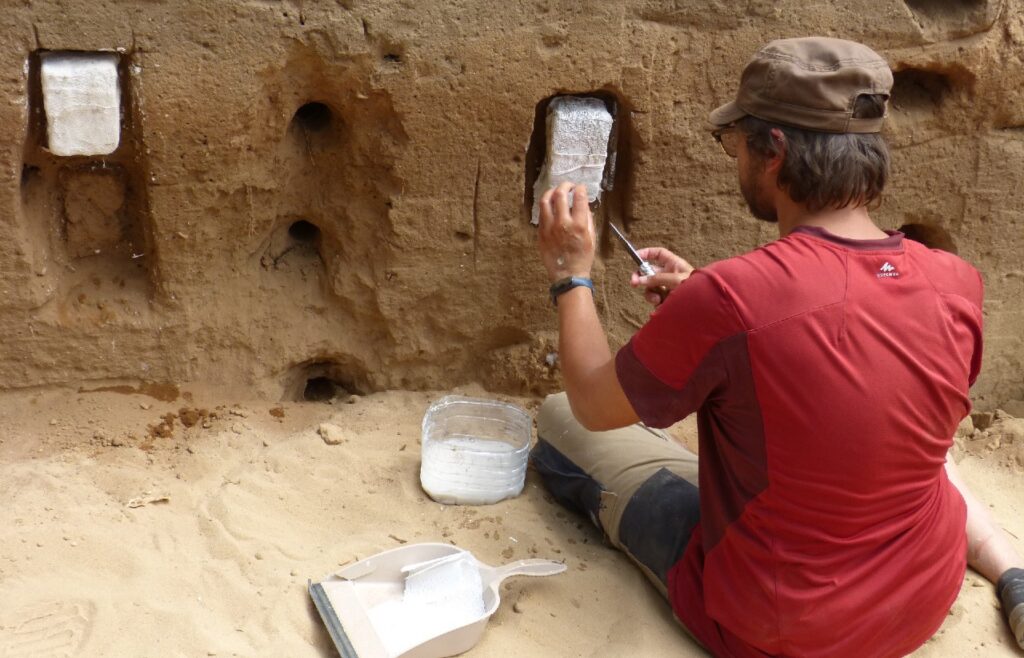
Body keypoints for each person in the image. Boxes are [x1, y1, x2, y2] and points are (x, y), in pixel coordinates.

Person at [532, 37, 1024, 657]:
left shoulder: (731, 299)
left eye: (734, 142)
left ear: (776, 150)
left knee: (558, 421)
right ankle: (1008, 566)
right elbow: (836, 325)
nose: (734, 157)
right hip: (919, 599)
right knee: (916, 441)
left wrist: (570, 273)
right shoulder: (955, 282)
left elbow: (592, 403)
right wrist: (702, 299)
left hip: (782, 627)